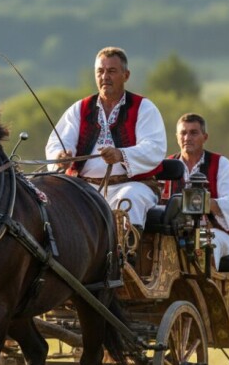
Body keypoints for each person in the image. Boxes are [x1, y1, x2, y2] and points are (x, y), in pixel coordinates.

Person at [46, 46, 167, 229]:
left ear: (126, 75)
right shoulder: (80, 108)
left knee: (128, 200)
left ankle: (125, 256)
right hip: (85, 188)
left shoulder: (144, 107)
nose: (105, 77)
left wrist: (121, 154)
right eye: (100, 71)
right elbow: (58, 140)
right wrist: (61, 157)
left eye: (111, 71)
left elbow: (154, 146)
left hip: (132, 186)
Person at [160, 113, 229, 270]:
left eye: (193, 133)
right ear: (177, 137)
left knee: (204, 241)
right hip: (174, 235)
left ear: (205, 137)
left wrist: (205, 203)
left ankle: (206, 290)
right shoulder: (166, 166)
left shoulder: (222, 165)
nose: (187, 138)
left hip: (217, 234)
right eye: (183, 133)